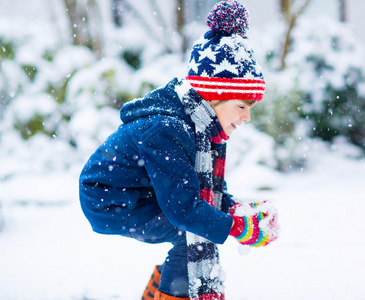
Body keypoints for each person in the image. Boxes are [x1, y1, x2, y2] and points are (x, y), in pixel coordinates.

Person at [79, 1, 279, 299]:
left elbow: (204, 189)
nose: (247, 117)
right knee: (190, 231)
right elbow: (185, 209)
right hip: (109, 197)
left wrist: (237, 210)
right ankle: (172, 294)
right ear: (214, 96)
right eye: (241, 105)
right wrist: (239, 228)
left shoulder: (200, 126)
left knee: (194, 228)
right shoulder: (168, 130)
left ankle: (161, 293)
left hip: (140, 190)